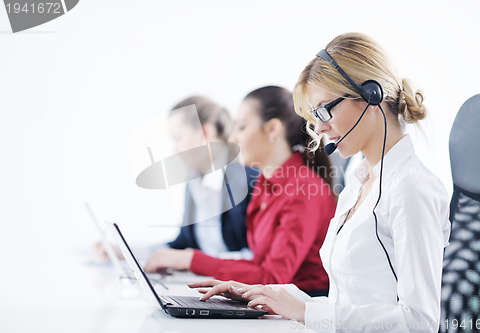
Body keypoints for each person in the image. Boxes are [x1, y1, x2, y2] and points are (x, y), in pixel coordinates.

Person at [189, 33, 451, 332]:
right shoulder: (358, 182)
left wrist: (304, 311)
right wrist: (269, 294)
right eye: (316, 114)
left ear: (371, 95)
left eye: (326, 108)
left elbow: (419, 321)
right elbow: (350, 302)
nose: (321, 126)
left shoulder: (411, 187)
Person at [144, 86, 337, 297]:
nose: (233, 139)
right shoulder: (264, 185)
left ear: (272, 129)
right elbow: (257, 263)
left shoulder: (305, 190)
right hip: (270, 303)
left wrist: (190, 259)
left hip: (302, 309)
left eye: (242, 128)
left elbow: (273, 278)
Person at [95, 96, 258, 261]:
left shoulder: (248, 179)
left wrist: (194, 262)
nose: (174, 149)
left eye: (178, 138)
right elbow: (183, 243)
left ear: (205, 133)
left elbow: (258, 257)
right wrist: (126, 252)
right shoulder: (194, 179)